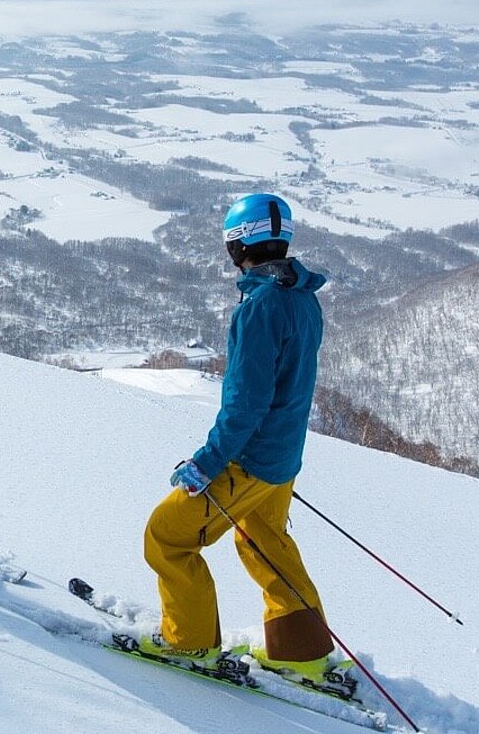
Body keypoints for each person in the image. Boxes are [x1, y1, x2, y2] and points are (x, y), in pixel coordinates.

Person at [141, 193, 346, 686]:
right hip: (283, 458)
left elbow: (245, 403)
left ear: (237, 247)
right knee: (265, 541)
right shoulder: (303, 296)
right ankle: (302, 651)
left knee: (166, 537)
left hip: (247, 461)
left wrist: (206, 462)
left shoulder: (258, 308)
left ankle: (188, 643)